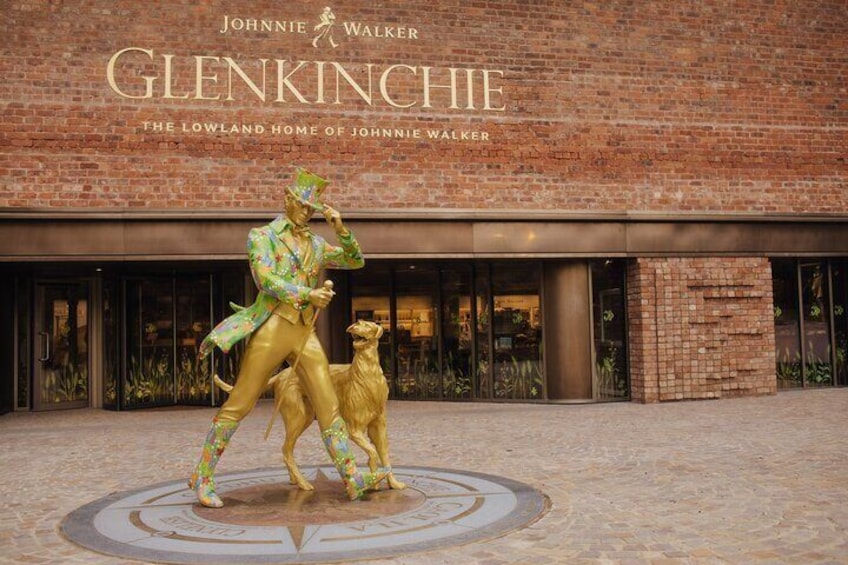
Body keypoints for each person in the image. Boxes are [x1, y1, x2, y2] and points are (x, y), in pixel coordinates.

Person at [188, 168, 388, 508]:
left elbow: (356, 261)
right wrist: (307, 294)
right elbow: (265, 280)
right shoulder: (261, 236)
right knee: (241, 402)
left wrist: (341, 229)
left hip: (305, 334)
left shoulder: (316, 243)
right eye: (302, 206)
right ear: (288, 200)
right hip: (274, 328)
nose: (306, 213)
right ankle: (203, 476)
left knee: (329, 407)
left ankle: (352, 476)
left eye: (312, 209)